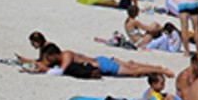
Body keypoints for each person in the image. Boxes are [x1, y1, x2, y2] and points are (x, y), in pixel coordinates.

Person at [40, 43, 175, 79]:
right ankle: (157, 68)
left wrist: (44, 69)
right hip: (100, 61)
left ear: (53, 55)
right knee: (131, 65)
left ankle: (161, 70)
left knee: (134, 72)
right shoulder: (65, 54)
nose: (47, 60)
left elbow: (60, 72)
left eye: (48, 57)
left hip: (103, 65)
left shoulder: (66, 56)